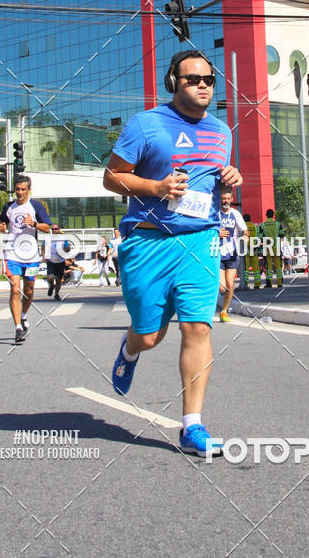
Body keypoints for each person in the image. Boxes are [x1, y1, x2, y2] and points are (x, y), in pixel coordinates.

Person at [103, 49, 242, 457]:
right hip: (148, 240)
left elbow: (214, 185)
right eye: (192, 78)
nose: (203, 85)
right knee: (149, 336)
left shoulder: (222, 132)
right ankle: (129, 351)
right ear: (172, 82)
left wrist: (230, 179)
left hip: (200, 239)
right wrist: (156, 188)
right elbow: (111, 178)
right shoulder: (146, 124)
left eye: (209, 79)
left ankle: (191, 426)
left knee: (197, 327)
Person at [0, 175, 50, 343]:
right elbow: (3, 223)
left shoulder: (35, 206)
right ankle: (18, 328)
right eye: (17, 189)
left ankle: (23, 315)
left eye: (23, 189)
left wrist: (34, 224)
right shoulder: (8, 206)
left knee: (28, 290)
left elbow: (48, 228)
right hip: (12, 253)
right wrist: (2, 227)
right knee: (15, 289)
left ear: (29, 190)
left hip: (31, 255)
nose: (19, 192)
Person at [217, 185, 247, 322]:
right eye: (223, 198)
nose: (226, 201)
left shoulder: (235, 214)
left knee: (230, 284)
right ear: (220, 199)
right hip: (216, 253)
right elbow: (205, 231)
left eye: (228, 198)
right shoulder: (214, 213)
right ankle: (209, 303)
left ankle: (224, 311)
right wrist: (217, 233)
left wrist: (245, 236)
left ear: (232, 199)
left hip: (232, 254)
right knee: (221, 287)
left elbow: (244, 230)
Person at [258, 209, 284, 289]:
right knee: (278, 266)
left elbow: (260, 237)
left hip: (267, 248)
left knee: (268, 266)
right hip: (276, 248)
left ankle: (269, 283)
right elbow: (282, 235)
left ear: (266, 215)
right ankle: (279, 283)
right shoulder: (278, 224)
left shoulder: (262, 225)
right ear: (273, 215)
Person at [46, 223, 71, 301]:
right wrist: (44, 256)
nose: (54, 230)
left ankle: (56, 294)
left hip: (60, 262)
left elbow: (67, 248)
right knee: (50, 278)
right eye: (53, 229)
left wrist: (67, 249)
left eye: (56, 229)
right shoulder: (48, 238)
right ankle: (51, 286)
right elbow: (44, 247)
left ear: (59, 229)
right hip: (51, 261)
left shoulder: (63, 239)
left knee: (58, 279)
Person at [243, 212, 262, 289]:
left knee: (246, 268)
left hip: (245, 249)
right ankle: (257, 284)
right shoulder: (255, 227)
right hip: (253, 249)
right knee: (256, 268)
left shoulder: (243, 227)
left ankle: (245, 283)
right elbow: (258, 238)